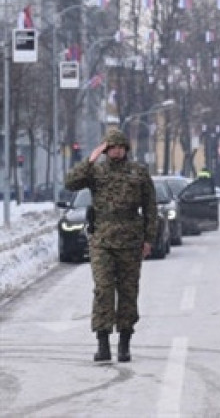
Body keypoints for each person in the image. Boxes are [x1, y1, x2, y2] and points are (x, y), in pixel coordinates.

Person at [64, 129, 157, 363]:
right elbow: (70, 183)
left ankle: (125, 343)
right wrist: (90, 159)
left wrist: (148, 239)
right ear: (106, 150)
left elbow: (150, 208)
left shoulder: (138, 172)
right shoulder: (96, 171)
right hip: (102, 240)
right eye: (111, 147)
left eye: (120, 147)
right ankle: (102, 341)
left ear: (126, 148)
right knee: (103, 290)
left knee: (128, 291)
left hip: (130, 239)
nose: (116, 151)